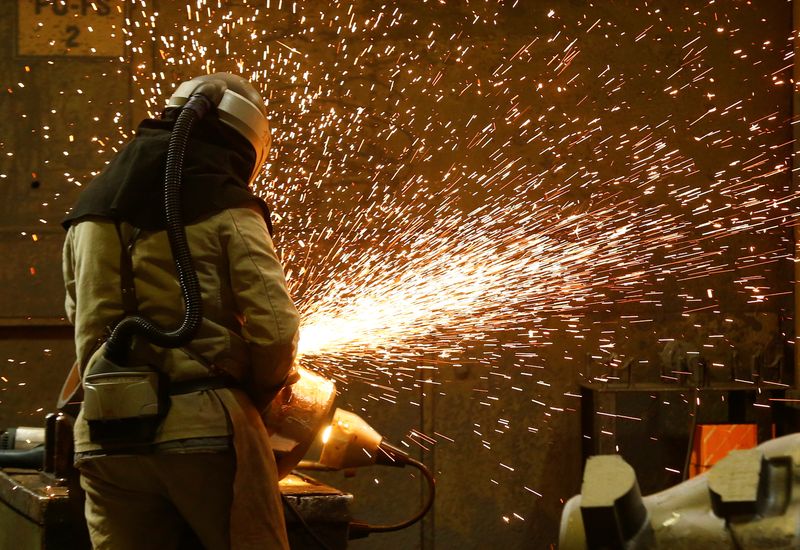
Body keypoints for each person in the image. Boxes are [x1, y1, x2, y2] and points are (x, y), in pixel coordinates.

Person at [61, 73, 299, 549]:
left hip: (106, 435)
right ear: (243, 142)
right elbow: (276, 329)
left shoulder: (88, 211)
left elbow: (78, 313)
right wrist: (258, 396)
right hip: (204, 430)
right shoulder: (228, 205)